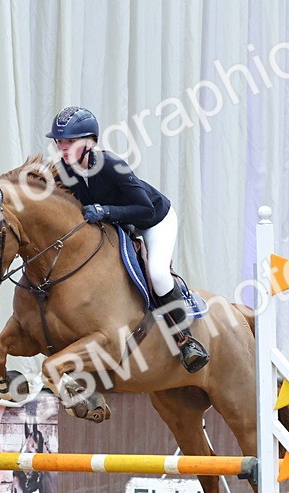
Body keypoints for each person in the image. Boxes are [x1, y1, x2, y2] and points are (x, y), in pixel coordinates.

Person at [46, 106, 209, 373]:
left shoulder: (111, 165)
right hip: (118, 225)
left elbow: (145, 209)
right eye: (60, 142)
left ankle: (186, 340)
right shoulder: (64, 171)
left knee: (157, 274)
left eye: (70, 141)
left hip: (154, 220)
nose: (63, 147)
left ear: (89, 142)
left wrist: (106, 210)